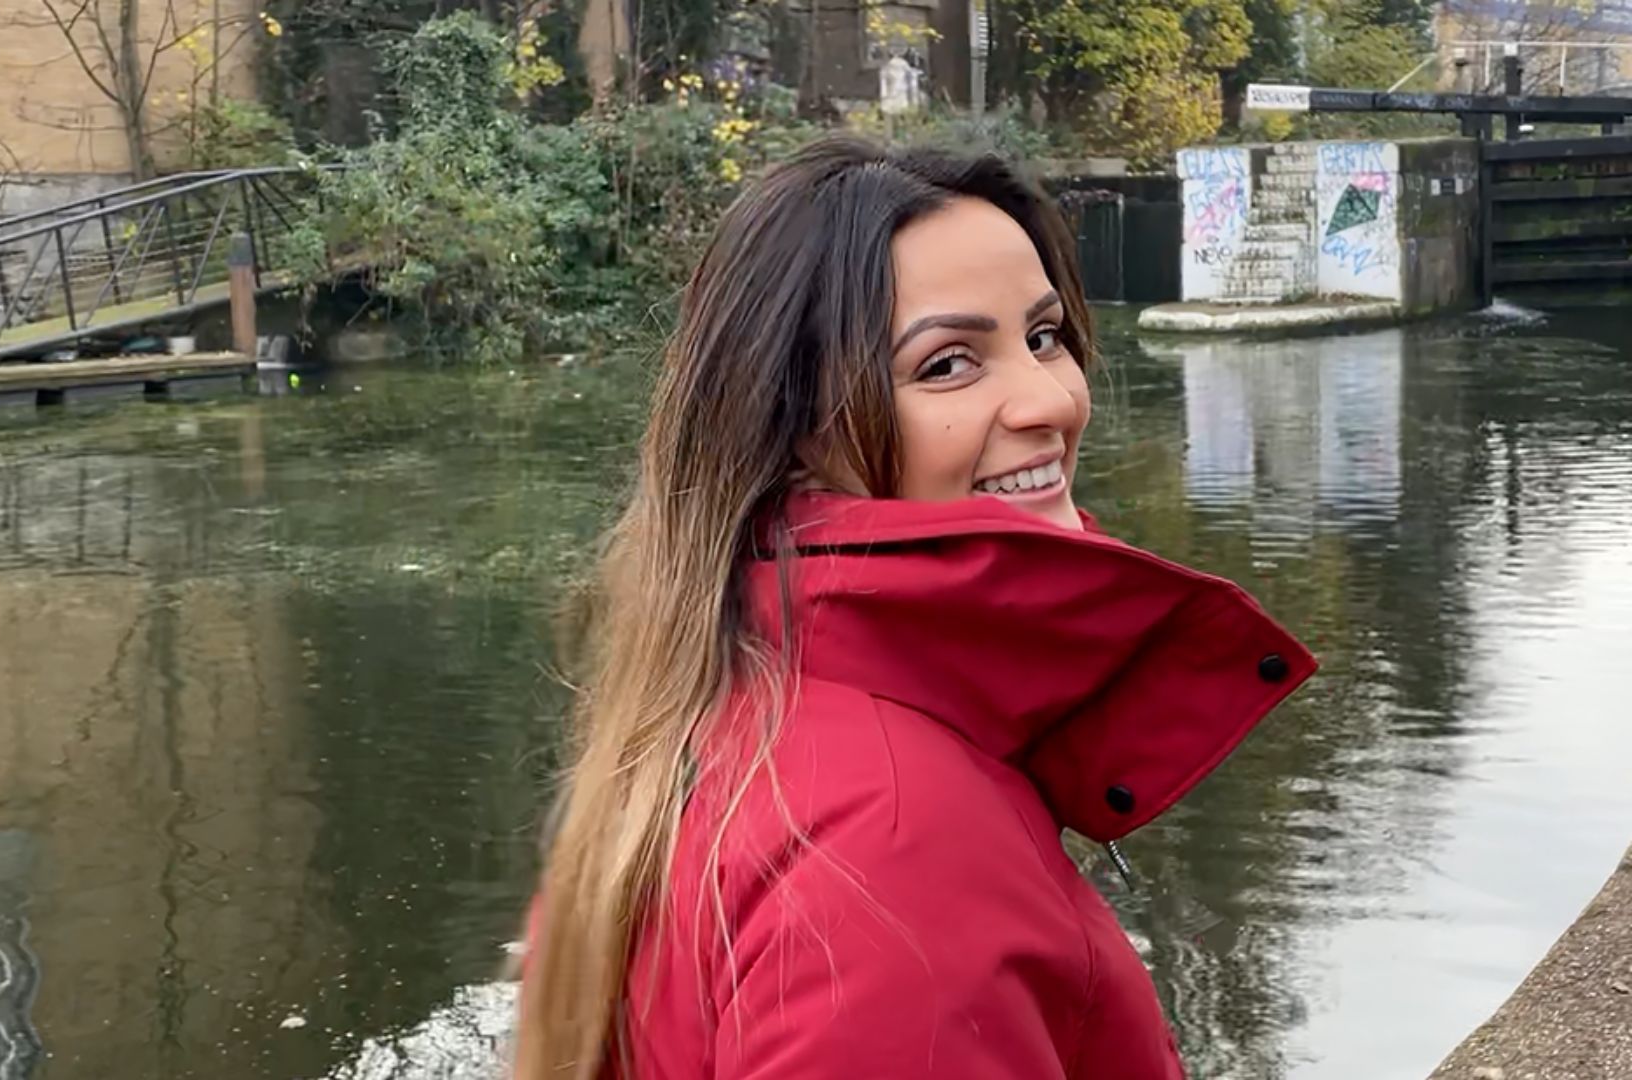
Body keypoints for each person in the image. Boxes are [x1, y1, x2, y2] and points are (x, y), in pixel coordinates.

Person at [515, 137, 1316, 1079]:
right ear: (797, 436)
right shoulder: (894, 852)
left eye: (1044, 336)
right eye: (947, 366)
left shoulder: (718, 703)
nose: (1051, 400)